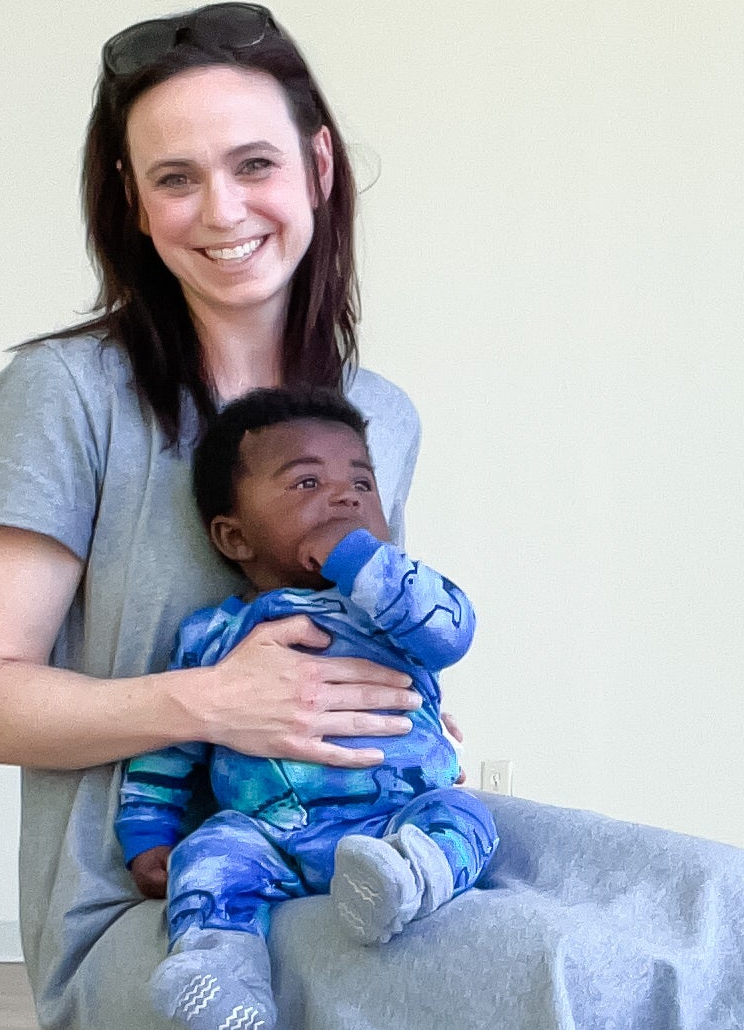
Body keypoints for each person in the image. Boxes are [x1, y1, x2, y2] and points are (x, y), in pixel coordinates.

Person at [0, 1, 744, 1030]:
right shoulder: (65, 396)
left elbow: (375, 617)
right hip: (183, 909)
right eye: (177, 177)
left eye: (253, 164)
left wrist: (407, 705)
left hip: (376, 840)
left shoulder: (376, 417)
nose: (221, 210)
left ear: (316, 167)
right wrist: (218, 702)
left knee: (739, 902)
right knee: (583, 973)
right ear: (133, 202)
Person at [120, 387, 498, 1030]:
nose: (347, 495)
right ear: (234, 536)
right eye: (306, 482)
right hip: (272, 835)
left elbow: (452, 629)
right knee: (210, 854)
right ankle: (217, 978)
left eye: (362, 480)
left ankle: (404, 883)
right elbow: (172, 737)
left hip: (394, 818)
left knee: (467, 815)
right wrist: (147, 831)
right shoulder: (212, 635)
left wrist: (358, 560)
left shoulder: (390, 612)